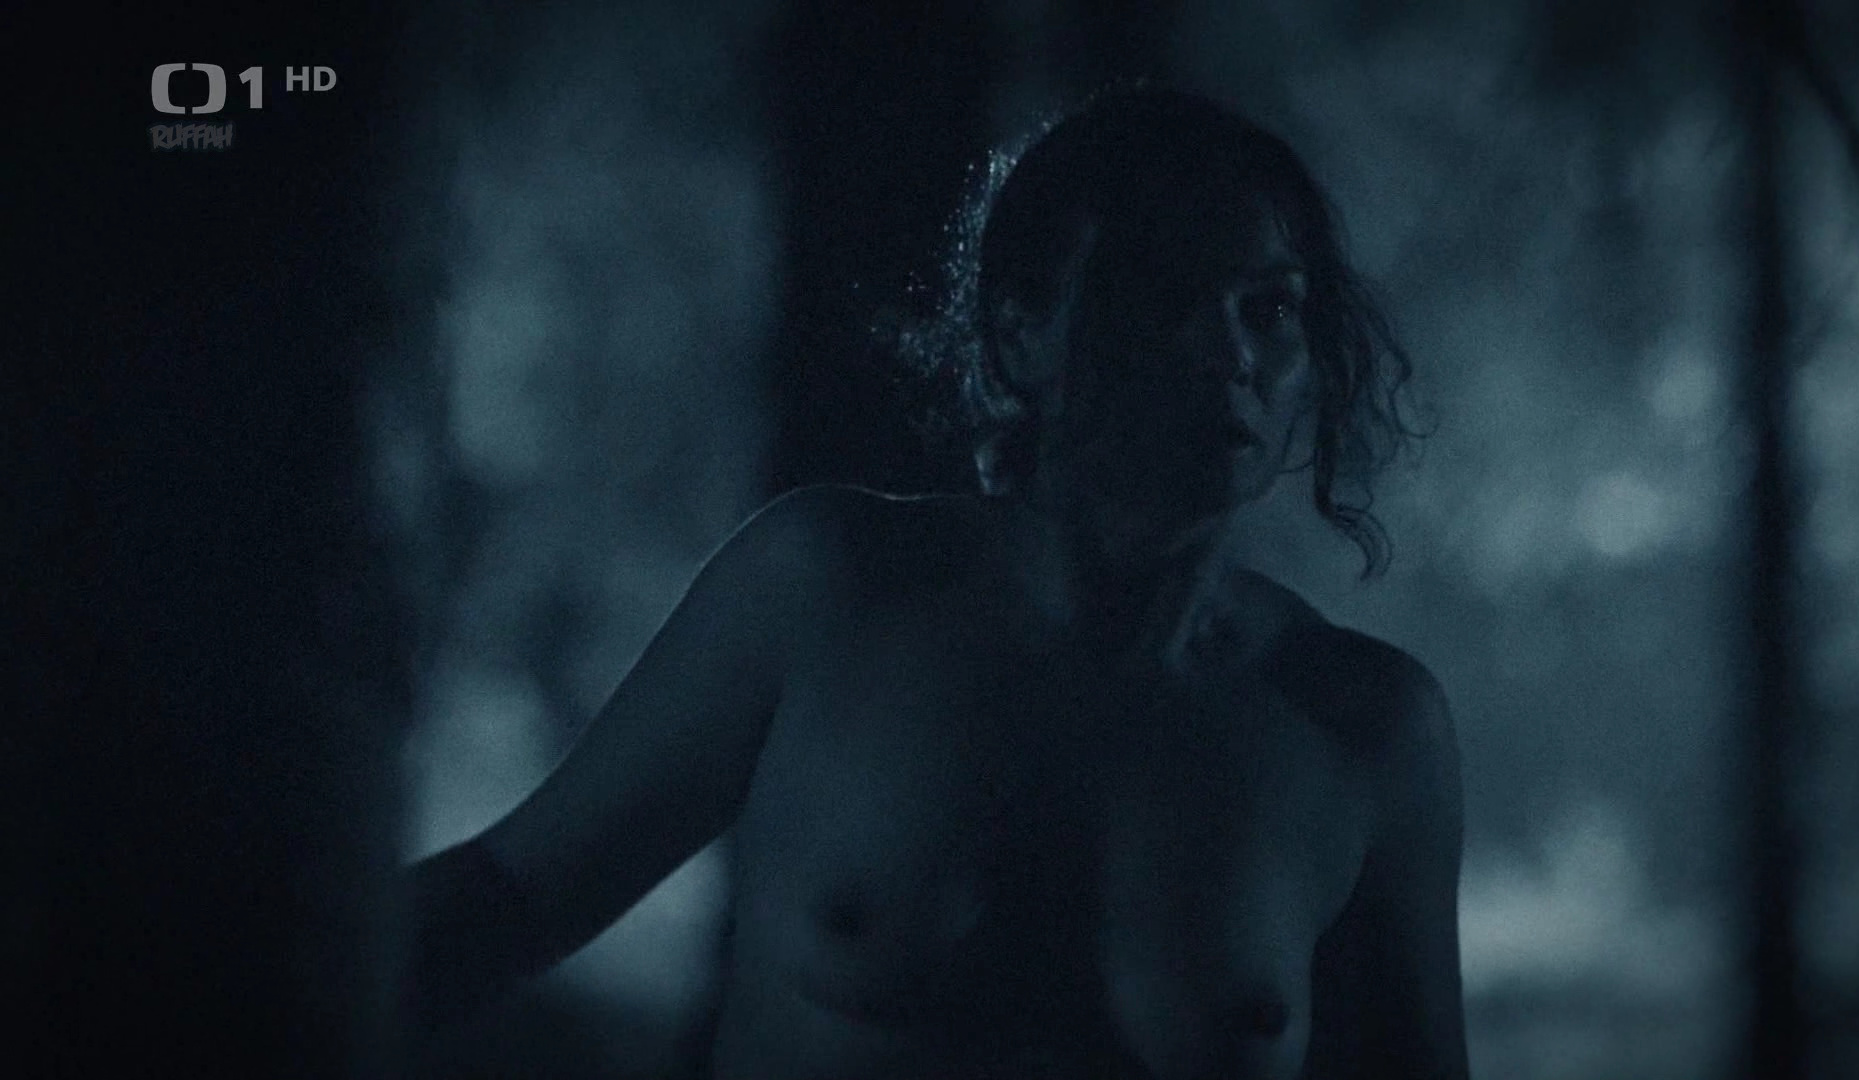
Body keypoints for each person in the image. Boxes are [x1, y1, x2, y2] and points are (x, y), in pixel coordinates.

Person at [407, 86, 1468, 1080]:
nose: (1233, 355)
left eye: (1271, 309)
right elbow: (507, 903)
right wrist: (301, 983)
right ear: (1021, 332)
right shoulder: (827, 593)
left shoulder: (1363, 728)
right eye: (1166, 296)